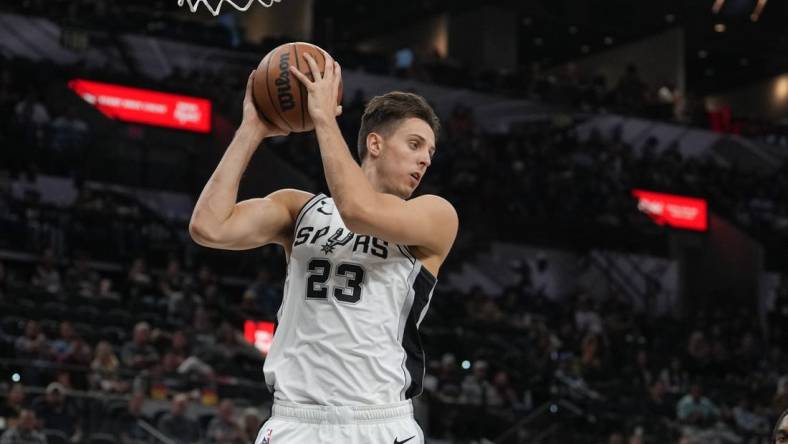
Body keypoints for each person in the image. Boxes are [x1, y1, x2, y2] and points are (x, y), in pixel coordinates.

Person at [189, 53, 458, 444]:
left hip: (378, 423)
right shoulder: (299, 209)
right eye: (415, 144)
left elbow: (356, 210)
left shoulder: (435, 215)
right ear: (375, 144)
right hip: (296, 422)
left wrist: (323, 119)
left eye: (430, 152)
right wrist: (251, 130)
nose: (424, 159)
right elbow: (208, 227)